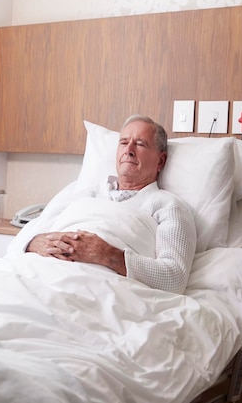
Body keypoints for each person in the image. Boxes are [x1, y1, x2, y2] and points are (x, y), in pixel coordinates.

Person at [15, 115, 196, 294]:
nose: (129, 150)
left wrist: (106, 254)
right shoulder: (81, 193)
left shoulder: (167, 206)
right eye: (124, 143)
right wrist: (37, 243)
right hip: (39, 275)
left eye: (140, 144)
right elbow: (17, 243)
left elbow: (174, 279)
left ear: (161, 161)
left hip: (98, 288)